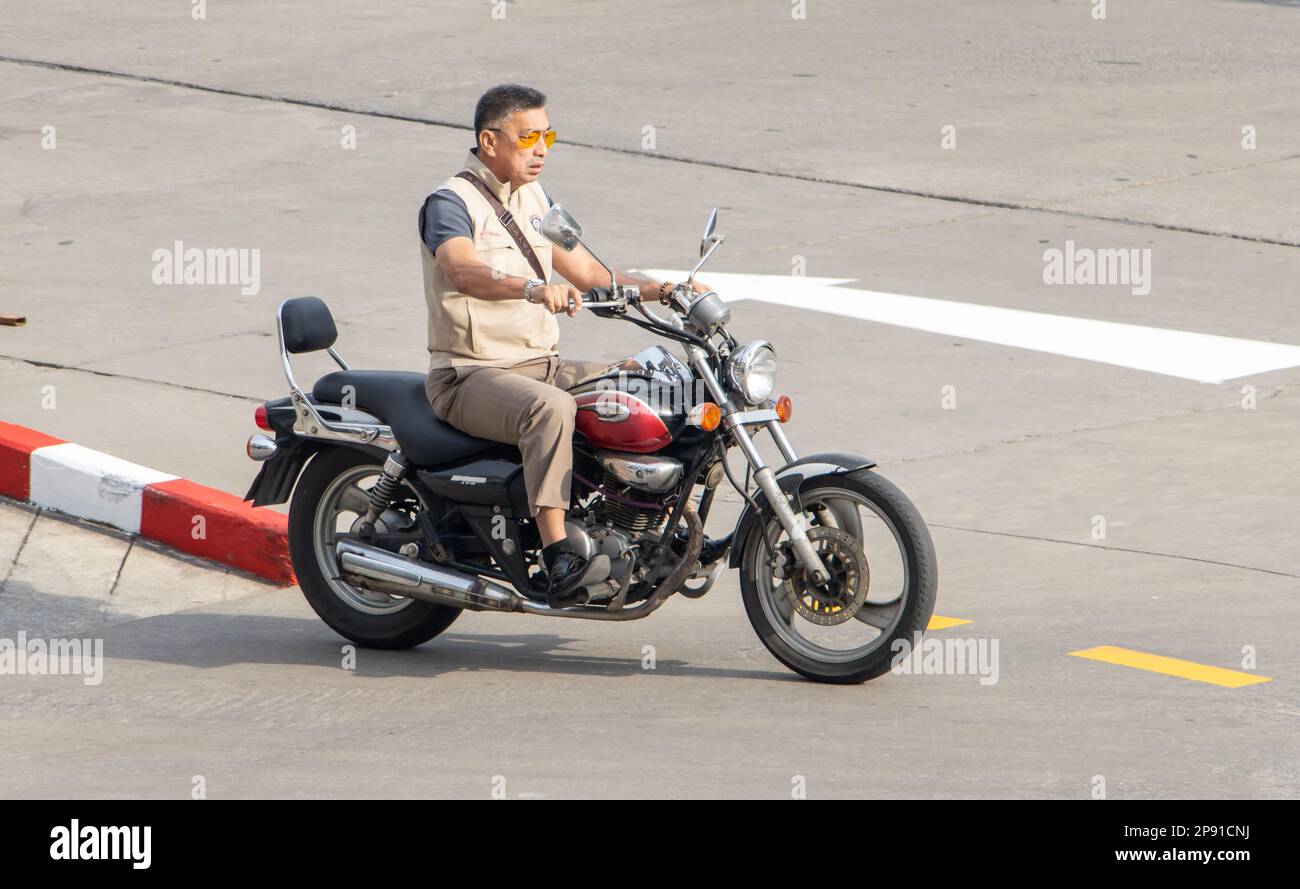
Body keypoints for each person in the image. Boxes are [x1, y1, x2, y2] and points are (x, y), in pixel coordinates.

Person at [419, 84, 690, 606]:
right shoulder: (450, 203)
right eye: (529, 137)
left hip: (540, 363)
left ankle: (653, 525)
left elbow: (589, 271)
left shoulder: (536, 200)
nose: (542, 147)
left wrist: (665, 289)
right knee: (552, 408)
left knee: (646, 382)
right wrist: (533, 288)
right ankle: (557, 550)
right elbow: (461, 269)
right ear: (489, 140)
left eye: (549, 135)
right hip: (470, 375)